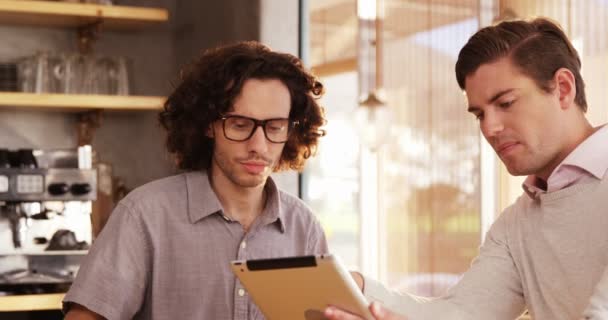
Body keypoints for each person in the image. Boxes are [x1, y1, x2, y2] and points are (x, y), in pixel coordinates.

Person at [324, 17, 608, 320]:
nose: (490, 127)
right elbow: (463, 313)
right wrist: (361, 291)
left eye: (506, 103)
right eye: (479, 114)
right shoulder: (517, 224)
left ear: (563, 89)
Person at [63, 41, 329, 319]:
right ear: (208, 124)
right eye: (240, 125)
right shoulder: (145, 215)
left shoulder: (304, 227)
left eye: (275, 127)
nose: (259, 146)